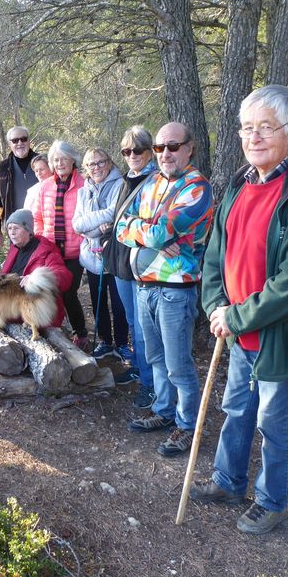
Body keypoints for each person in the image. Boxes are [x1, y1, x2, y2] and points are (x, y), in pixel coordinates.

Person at [193, 85, 288, 535]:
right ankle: (227, 481)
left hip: (285, 335)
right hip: (241, 333)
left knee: (272, 422)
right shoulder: (241, 182)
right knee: (237, 409)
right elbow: (215, 254)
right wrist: (217, 306)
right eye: (246, 128)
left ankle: (272, 499)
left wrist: (235, 316)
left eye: (265, 128)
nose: (253, 137)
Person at [116, 122, 213, 457]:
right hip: (145, 285)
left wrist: (147, 234)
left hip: (175, 289)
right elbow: (119, 227)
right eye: (159, 148)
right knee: (155, 357)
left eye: (173, 146)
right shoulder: (151, 182)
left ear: (189, 148)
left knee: (178, 364)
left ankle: (187, 427)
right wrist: (152, 236)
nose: (165, 154)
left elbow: (159, 233)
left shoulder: (197, 188)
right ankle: (164, 410)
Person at [0, 208, 73, 361]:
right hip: (12, 300)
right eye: (9, 228)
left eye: (16, 228)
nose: (11, 232)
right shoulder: (15, 249)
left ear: (28, 230)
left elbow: (64, 276)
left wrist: (36, 278)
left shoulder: (46, 250)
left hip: (31, 305)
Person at [104, 126, 158, 407]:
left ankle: (150, 385)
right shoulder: (129, 180)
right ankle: (138, 367)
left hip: (141, 265)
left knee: (142, 327)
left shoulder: (155, 182)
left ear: (150, 151)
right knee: (131, 320)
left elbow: (150, 226)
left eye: (138, 150)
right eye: (127, 151)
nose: (132, 155)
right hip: (121, 262)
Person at [73, 149, 130, 361]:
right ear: (85, 168)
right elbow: (77, 224)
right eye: (91, 164)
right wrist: (98, 226)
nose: (96, 168)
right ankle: (105, 342)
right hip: (91, 256)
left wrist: (91, 226)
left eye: (100, 162)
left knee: (118, 302)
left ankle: (122, 344)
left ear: (109, 162)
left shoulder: (120, 184)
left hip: (115, 255)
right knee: (98, 304)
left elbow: (113, 214)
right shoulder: (83, 191)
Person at [32, 140, 89, 349]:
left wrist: (85, 242)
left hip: (75, 251)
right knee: (48, 290)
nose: (60, 163)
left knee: (68, 291)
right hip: (51, 251)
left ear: (73, 159)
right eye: (56, 159)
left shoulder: (84, 184)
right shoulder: (45, 186)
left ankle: (80, 332)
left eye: (64, 158)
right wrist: (41, 238)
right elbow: (37, 217)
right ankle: (53, 329)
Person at [0, 126, 39, 247]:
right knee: (19, 264)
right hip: (16, 229)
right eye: (15, 140)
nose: (20, 143)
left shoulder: (42, 163)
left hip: (41, 226)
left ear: (29, 141)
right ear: (9, 144)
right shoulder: (2, 169)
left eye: (23, 139)